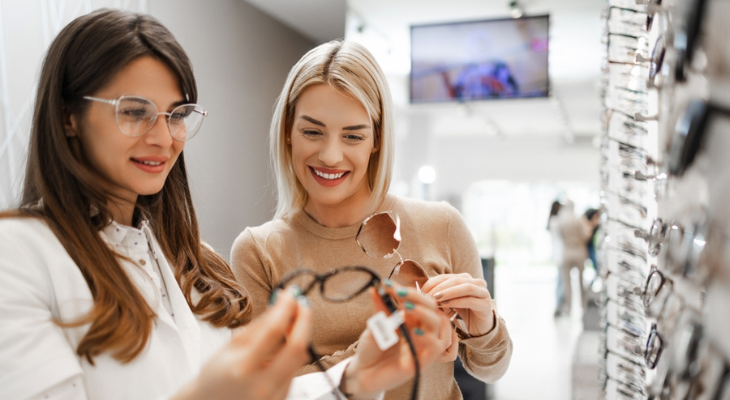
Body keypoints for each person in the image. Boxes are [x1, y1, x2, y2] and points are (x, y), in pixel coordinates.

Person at [0, 9, 447, 400]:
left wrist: (352, 380)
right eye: (134, 111)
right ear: (67, 116)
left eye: (176, 114)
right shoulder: (19, 254)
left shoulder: (197, 262)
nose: (162, 137)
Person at [231, 39, 513, 400]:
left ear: (376, 138)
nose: (331, 155)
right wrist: (386, 342)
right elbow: (264, 391)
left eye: (353, 136)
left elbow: (491, 367)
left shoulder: (441, 226)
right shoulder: (259, 252)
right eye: (312, 132)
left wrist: (484, 328)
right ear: (288, 130)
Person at [554, 200, 592, 316]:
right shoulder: (579, 221)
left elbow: (559, 235)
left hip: (567, 252)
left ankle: (568, 307)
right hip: (579, 251)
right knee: (581, 280)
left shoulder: (561, 222)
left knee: (567, 282)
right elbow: (587, 235)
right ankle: (583, 305)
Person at [547, 200, 564, 317]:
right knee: (560, 282)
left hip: (558, 253)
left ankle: (559, 305)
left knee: (560, 281)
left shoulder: (552, 221)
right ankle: (558, 305)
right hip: (561, 253)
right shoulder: (556, 221)